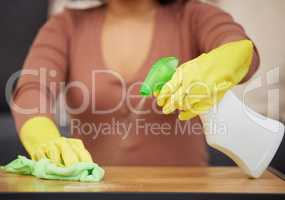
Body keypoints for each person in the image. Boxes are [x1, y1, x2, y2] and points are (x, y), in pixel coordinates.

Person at [11, 0, 259, 167]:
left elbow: (242, 50)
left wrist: (226, 59)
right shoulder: (66, 25)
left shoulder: (194, 16)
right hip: (92, 191)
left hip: (187, 192)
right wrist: (44, 139)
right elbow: (33, 89)